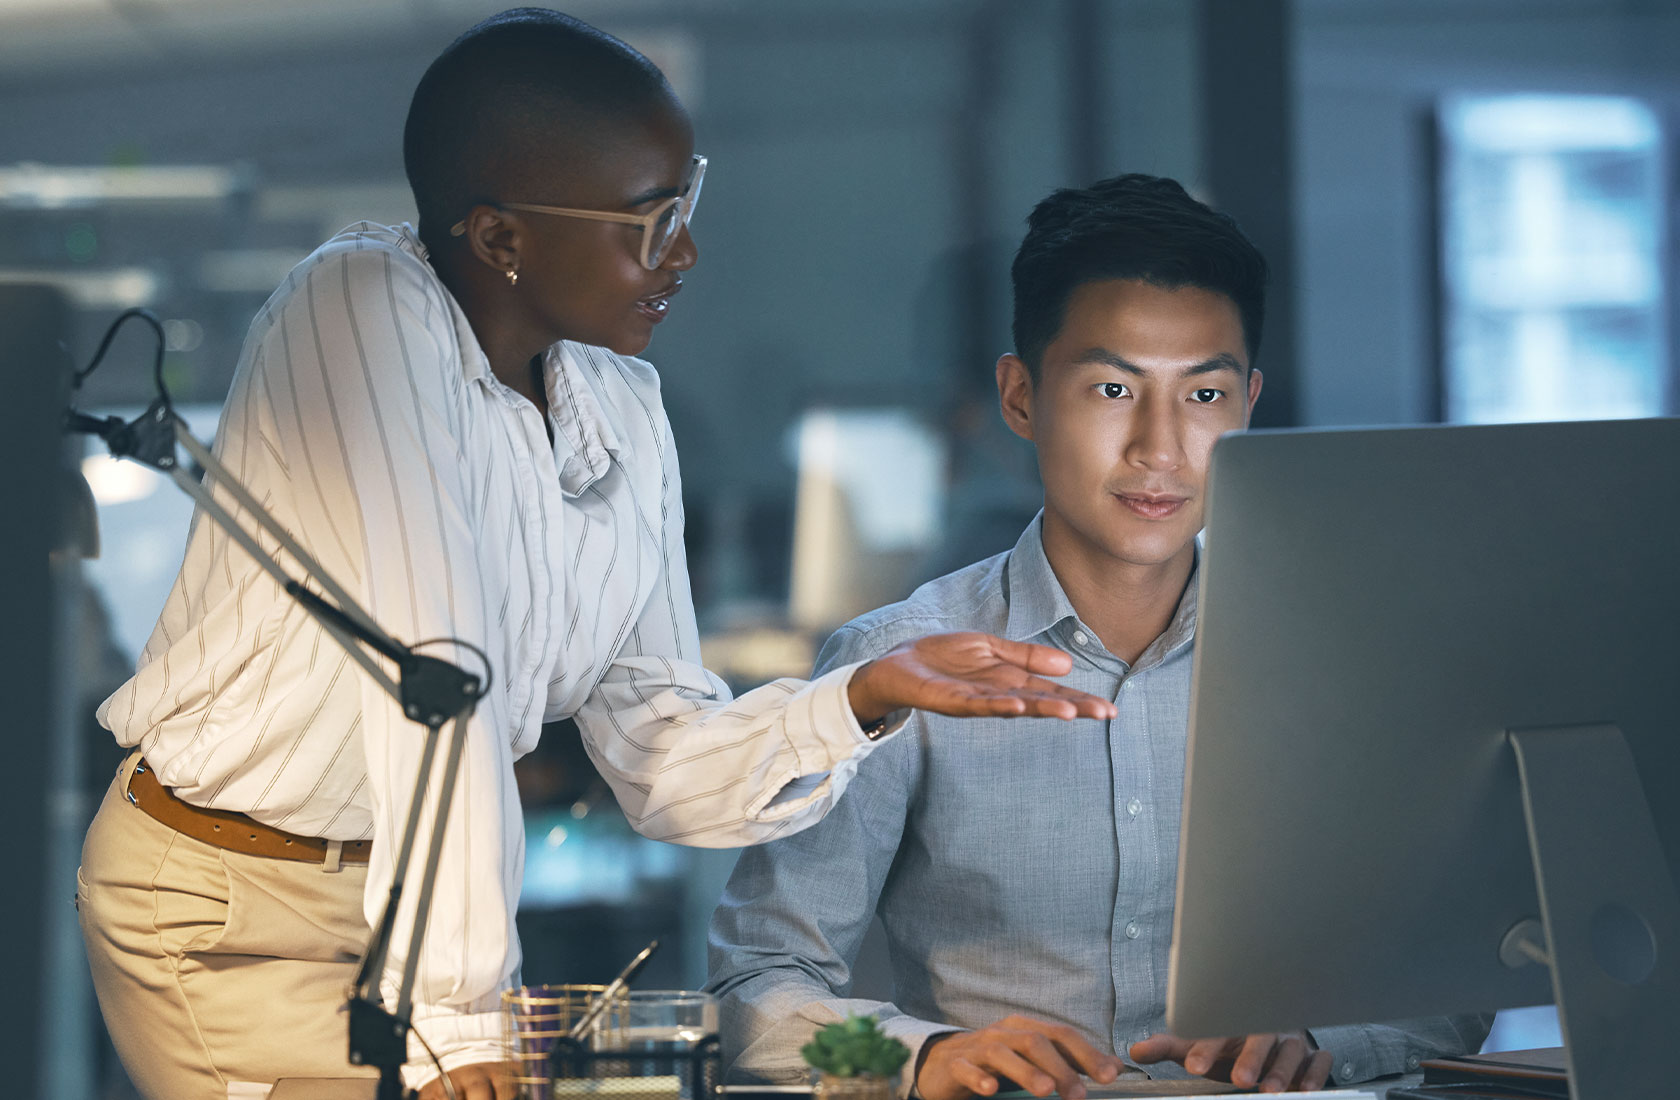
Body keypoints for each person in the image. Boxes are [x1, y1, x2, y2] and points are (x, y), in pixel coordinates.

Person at [75, 11, 1117, 1100]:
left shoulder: (622, 402)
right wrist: (464, 1022)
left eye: (688, 203)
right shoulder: (358, 309)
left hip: (405, 911)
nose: (687, 252)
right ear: (500, 238)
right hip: (234, 913)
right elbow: (438, 675)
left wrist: (854, 699)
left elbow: (660, 756)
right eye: (650, 220)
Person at [706, 174, 1493, 1098]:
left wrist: (1323, 1039)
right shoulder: (901, 665)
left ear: (1248, 406)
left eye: (1204, 396)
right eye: (1114, 387)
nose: (1159, 448)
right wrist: (920, 1059)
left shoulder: (1340, 659)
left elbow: (1454, 975)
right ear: (1020, 397)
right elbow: (753, 990)